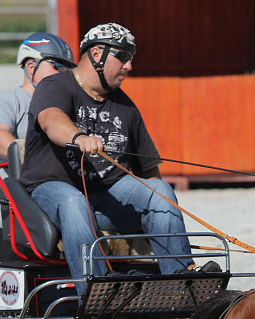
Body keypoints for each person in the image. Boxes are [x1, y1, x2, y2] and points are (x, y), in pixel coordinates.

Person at [20, 22, 199, 291]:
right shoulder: (56, 86)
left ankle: (181, 284)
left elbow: (150, 173)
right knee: (73, 200)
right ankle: (98, 289)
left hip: (106, 198)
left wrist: (161, 217)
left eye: (130, 59)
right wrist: (78, 137)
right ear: (96, 54)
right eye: (123, 57)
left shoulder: (126, 106)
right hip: (52, 190)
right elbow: (50, 120)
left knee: (159, 189)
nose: (129, 66)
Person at [0, 32, 76, 303]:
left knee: (48, 303)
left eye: (68, 69)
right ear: (31, 67)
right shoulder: (6, 101)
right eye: (57, 66)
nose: (64, 74)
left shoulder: (64, 107)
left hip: (44, 220)